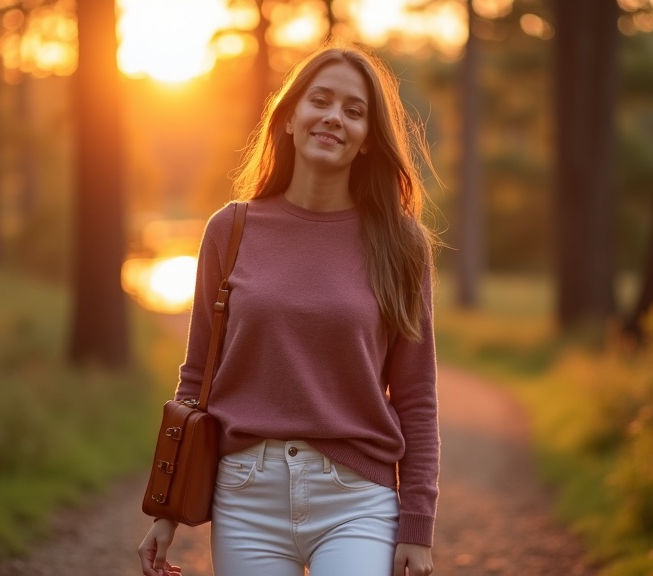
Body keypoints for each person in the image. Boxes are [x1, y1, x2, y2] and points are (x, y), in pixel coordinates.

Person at [138, 39, 440, 576]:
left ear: (369, 138)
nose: (333, 118)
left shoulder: (402, 245)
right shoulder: (230, 230)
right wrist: (166, 508)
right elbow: (197, 376)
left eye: (354, 111)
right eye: (319, 101)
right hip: (246, 496)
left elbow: (415, 396)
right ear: (289, 117)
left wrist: (417, 524)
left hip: (357, 500)